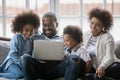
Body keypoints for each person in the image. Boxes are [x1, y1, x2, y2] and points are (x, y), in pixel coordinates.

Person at [21, 12, 62, 80]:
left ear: (56, 24)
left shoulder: (62, 39)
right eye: (45, 25)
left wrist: (64, 55)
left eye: (50, 25)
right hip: (37, 68)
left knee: (71, 59)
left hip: (55, 69)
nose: (47, 28)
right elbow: (27, 54)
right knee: (24, 58)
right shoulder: (34, 38)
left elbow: (66, 55)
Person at [0, 10, 40, 79]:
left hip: (20, 65)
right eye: (26, 30)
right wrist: (21, 64)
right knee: (19, 75)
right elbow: (13, 54)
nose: (29, 33)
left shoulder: (31, 40)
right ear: (21, 29)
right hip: (12, 63)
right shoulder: (16, 38)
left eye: (31, 30)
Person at [83, 8, 120, 80]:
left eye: (98, 25)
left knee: (96, 76)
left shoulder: (108, 37)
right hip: (95, 68)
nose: (93, 27)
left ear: (104, 26)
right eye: (92, 23)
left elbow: (110, 57)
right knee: (91, 77)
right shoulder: (86, 34)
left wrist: (101, 67)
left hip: (110, 66)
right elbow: (80, 50)